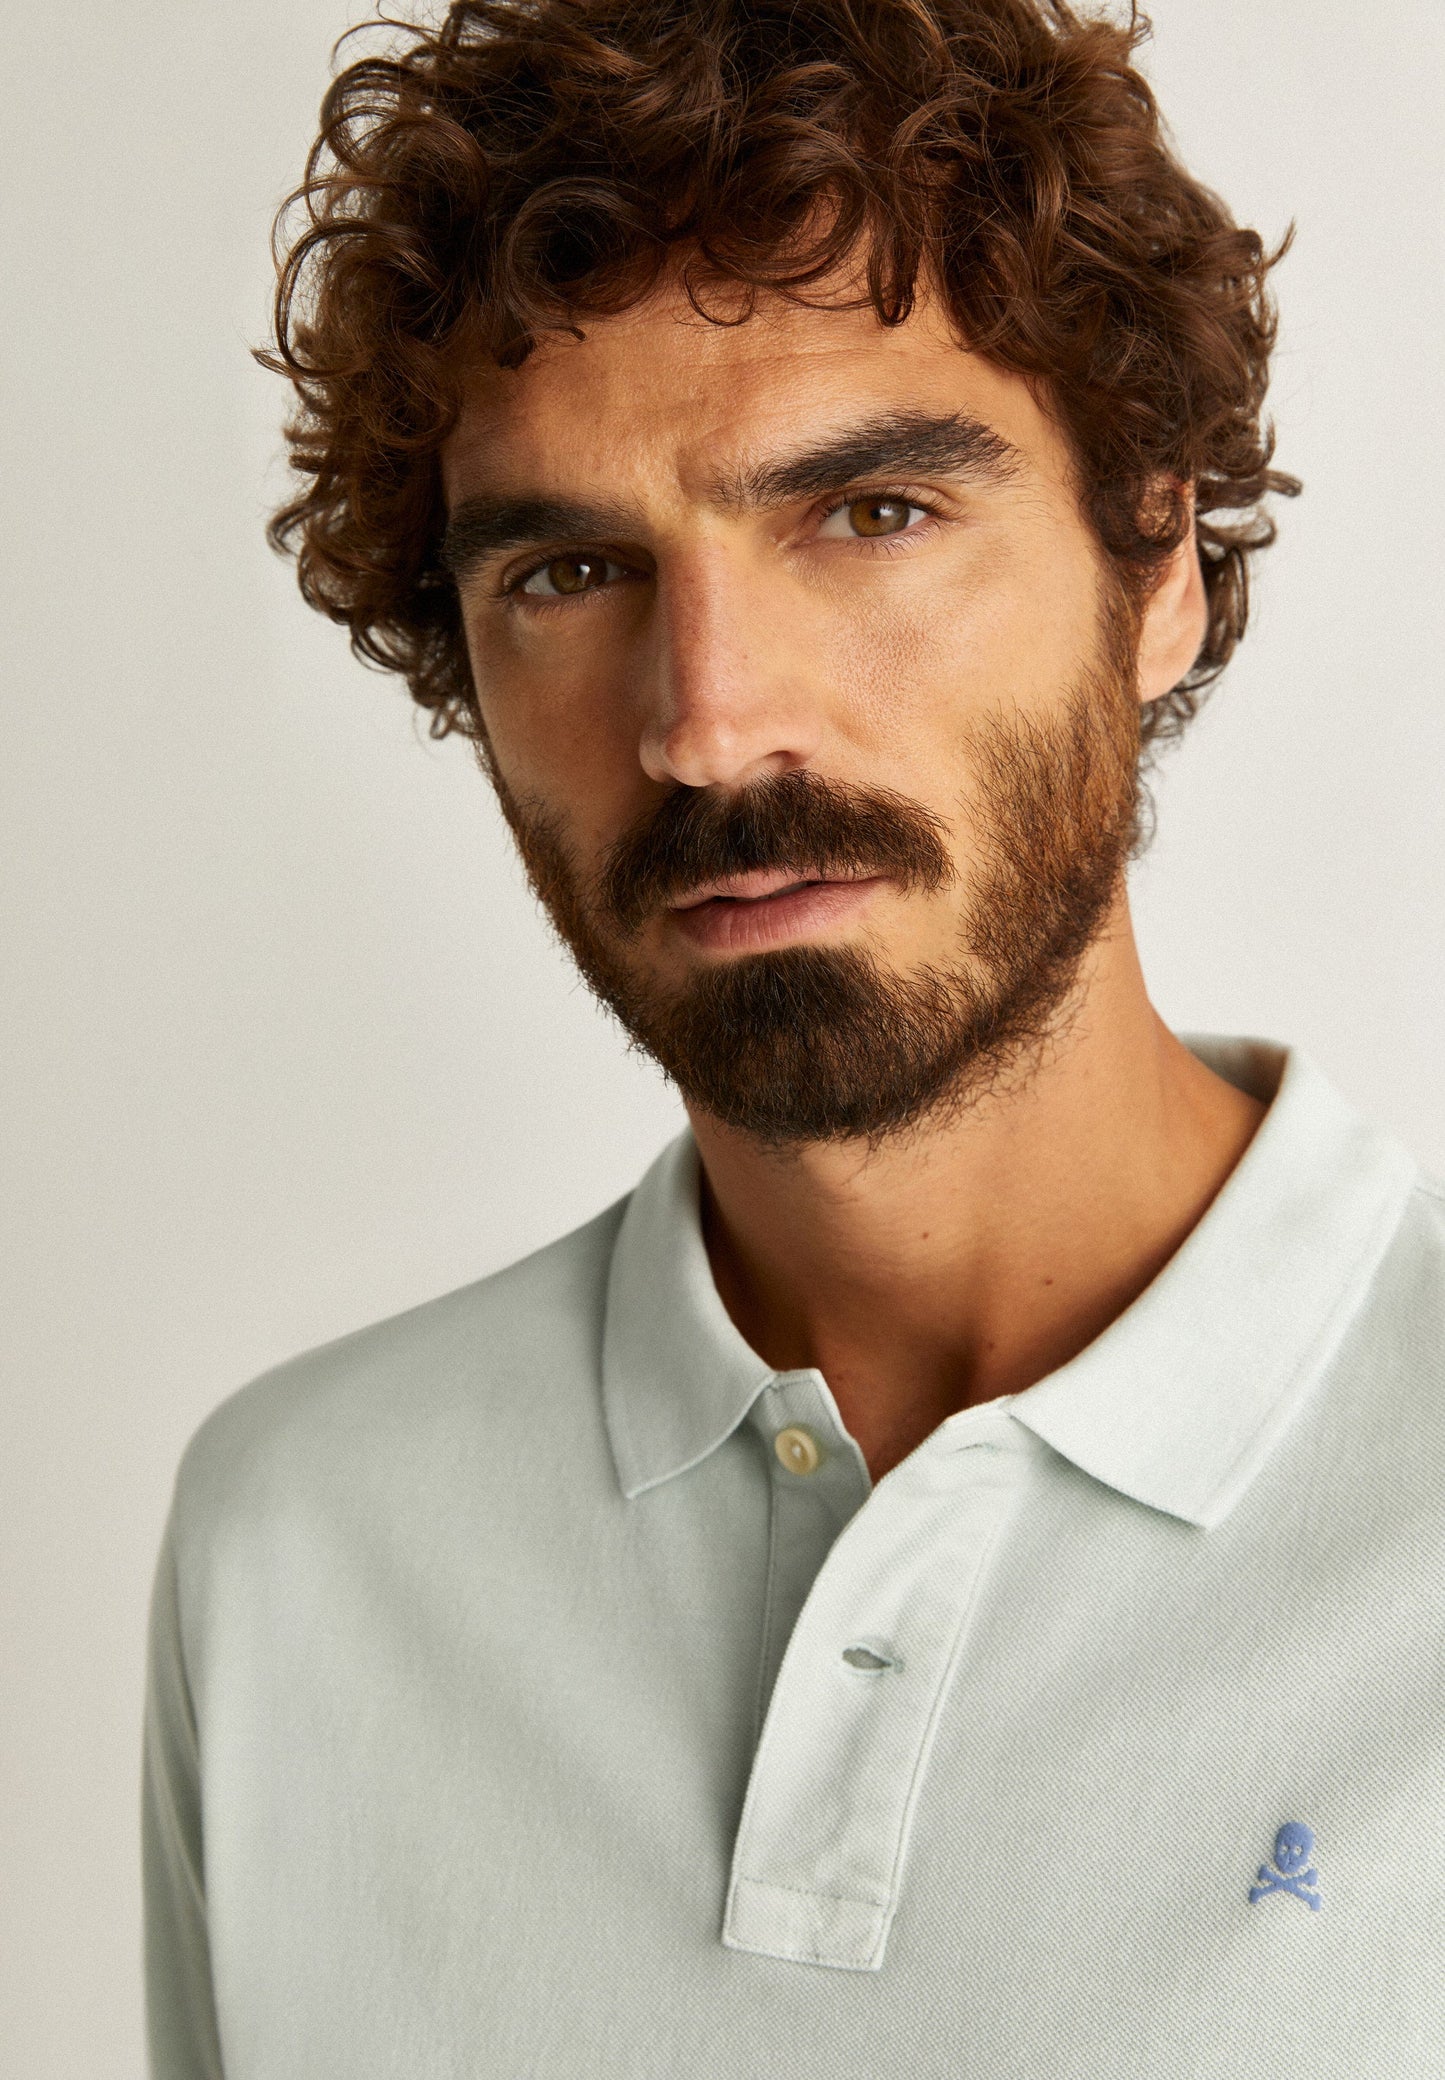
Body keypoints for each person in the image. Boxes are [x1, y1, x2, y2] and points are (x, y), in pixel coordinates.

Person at [142, 2, 1445, 2073]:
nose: (708, 719)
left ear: (1159, 566)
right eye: (570, 570)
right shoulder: (298, 1546)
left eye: (872, 514)